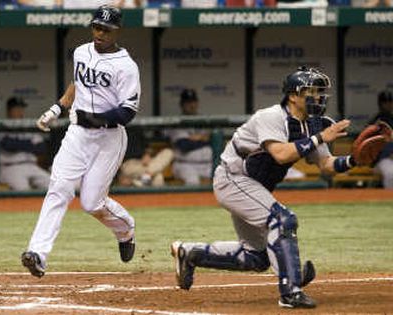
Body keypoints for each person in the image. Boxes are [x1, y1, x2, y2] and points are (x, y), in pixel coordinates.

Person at [171, 66, 357, 308]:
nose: (319, 97)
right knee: (283, 219)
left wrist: (354, 160)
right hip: (233, 178)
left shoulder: (314, 125)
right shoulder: (271, 117)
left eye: (321, 92)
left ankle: (190, 253)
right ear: (293, 96)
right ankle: (291, 291)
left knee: (256, 257)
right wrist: (321, 137)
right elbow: (280, 154)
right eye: (312, 91)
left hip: (254, 185)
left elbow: (326, 164)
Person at [21, 5, 141, 278]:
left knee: (91, 203)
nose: (100, 33)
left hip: (109, 137)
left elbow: (128, 111)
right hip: (77, 134)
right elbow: (78, 84)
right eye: (97, 27)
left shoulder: (126, 66)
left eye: (106, 29)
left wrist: (97, 118)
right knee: (59, 187)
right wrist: (55, 109)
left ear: (116, 31)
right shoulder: (81, 52)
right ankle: (38, 253)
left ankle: (126, 229)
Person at [0, 97, 51, 191]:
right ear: (9, 111)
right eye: (17, 109)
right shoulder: (2, 126)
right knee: (23, 189)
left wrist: (20, 144)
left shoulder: (28, 127)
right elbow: (8, 145)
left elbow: (41, 148)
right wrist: (30, 145)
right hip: (11, 167)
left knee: (53, 186)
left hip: (31, 165)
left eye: (21, 109)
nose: (20, 112)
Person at [166, 89, 213, 186]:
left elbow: (214, 141)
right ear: (182, 105)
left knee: (224, 180)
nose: (191, 105)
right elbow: (184, 145)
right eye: (188, 102)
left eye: (193, 102)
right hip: (186, 165)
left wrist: (196, 138)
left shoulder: (205, 121)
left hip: (207, 164)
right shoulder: (176, 122)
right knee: (193, 181)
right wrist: (203, 138)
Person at [368, 90, 393, 189]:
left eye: (390, 102)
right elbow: (371, 146)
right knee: (391, 173)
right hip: (382, 161)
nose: (389, 104)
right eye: (386, 102)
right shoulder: (375, 123)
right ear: (380, 104)